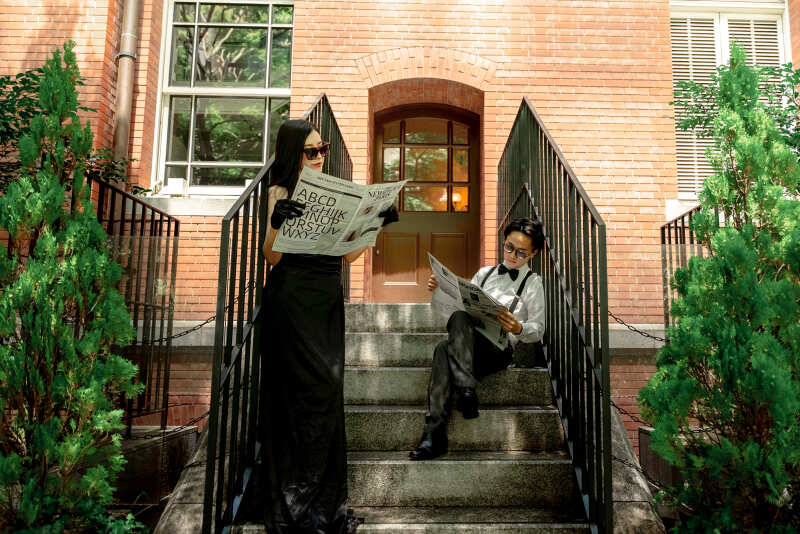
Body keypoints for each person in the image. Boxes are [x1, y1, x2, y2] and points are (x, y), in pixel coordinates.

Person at [260, 119, 398, 533]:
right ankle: (295, 503)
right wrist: (278, 222)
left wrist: (376, 223)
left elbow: (350, 257)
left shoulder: (335, 193)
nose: (319, 157)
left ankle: (326, 500)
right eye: (310, 152)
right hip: (291, 300)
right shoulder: (279, 191)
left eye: (322, 150)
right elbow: (271, 258)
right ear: (291, 154)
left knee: (328, 388)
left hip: (326, 300)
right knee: (299, 395)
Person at [409, 217, 545, 461]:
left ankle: (434, 434)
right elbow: (461, 307)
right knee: (449, 336)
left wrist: (518, 327)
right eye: (509, 247)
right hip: (469, 345)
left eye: (521, 252)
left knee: (443, 349)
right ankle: (465, 390)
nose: (513, 255)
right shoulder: (484, 274)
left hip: (498, 350)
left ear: (533, 253)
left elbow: (539, 328)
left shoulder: (533, 283)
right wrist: (440, 289)